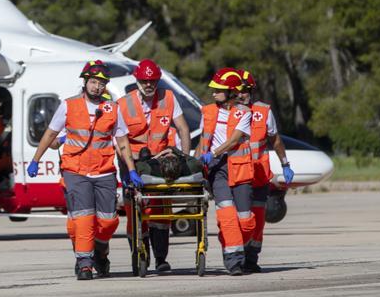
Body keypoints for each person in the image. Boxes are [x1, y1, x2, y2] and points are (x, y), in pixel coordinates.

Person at [26, 60, 139, 280]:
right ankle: (85, 263)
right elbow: (50, 134)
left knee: (108, 221)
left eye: (101, 83)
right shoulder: (68, 105)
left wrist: (131, 170)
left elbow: (122, 141)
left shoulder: (112, 108)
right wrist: (35, 159)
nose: (97, 87)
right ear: (85, 82)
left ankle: (99, 250)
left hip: (104, 171)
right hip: (75, 170)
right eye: (94, 82)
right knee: (84, 218)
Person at [118, 58, 197, 274]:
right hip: (132, 164)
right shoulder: (124, 104)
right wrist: (127, 171)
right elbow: (118, 139)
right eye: (144, 81)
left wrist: (184, 157)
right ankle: (139, 255)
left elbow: (183, 128)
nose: (149, 85)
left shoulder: (169, 98)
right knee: (135, 212)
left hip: (159, 164)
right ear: (137, 80)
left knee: (161, 211)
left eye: (152, 81)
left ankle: (161, 259)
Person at [237, 70, 294, 273]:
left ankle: (252, 258)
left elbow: (275, 139)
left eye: (245, 90)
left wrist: (285, 164)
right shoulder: (227, 113)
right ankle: (238, 256)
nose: (241, 94)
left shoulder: (263, 112)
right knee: (242, 220)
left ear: (251, 91)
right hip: (237, 176)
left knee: (259, 219)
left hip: (259, 175)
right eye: (237, 90)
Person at [198, 68, 254, 276]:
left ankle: (233, 242)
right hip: (217, 169)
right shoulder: (207, 111)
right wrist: (197, 160)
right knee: (227, 215)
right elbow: (203, 138)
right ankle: (234, 262)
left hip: (239, 169)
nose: (213, 93)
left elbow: (234, 140)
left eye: (218, 90)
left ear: (230, 91)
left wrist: (213, 152)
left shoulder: (244, 113)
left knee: (245, 221)